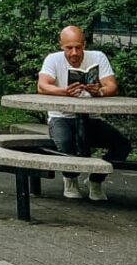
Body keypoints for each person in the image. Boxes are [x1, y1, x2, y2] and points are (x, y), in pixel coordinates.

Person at [37, 25, 130, 202]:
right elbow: (42, 85)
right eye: (69, 48)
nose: (74, 53)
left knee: (122, 145)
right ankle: (70, 179)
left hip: (91, 117)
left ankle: (96, 179)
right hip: (61, 117)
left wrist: (100, 91)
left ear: (84, 45)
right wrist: (65, 91)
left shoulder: (98, 57)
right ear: (61, 46)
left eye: (78, 47)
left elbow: (111, 85)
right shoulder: (53, 60)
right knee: (66, 144)